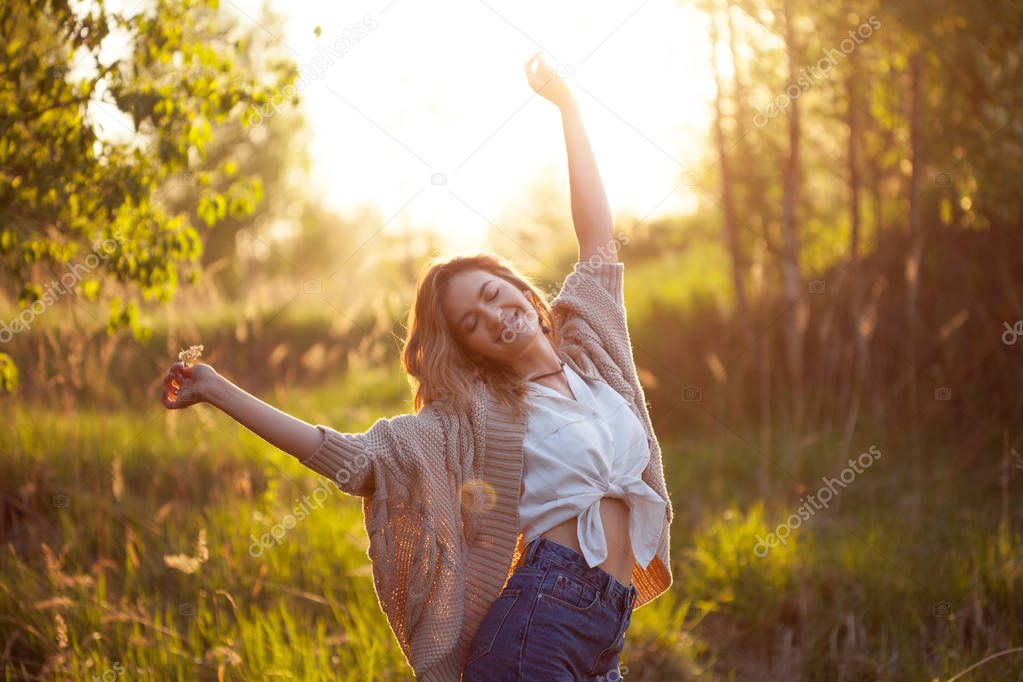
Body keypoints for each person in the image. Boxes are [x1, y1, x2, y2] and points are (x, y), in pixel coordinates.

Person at [161, 51, 673, 681]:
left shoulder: (592, 349)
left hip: (605, 628)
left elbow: (597, 235)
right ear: (470, 350)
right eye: (471, 324)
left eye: (492, 295)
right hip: (537, 629)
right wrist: (217, 389)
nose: (492, 317)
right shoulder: (479, 416)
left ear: (522, 290)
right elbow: (353, 459)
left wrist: (568, 107)